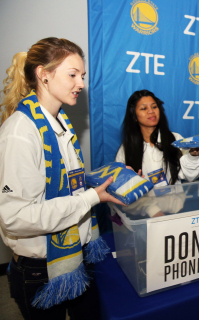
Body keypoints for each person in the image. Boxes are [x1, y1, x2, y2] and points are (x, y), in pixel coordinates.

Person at [0, 37, 124, 319]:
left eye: (82, 75)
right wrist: (91, 198)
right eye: (72, 75)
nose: (81, 83)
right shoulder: (20, 132)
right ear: (44, 75)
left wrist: (112, 180)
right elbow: (15, 217)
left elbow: (65, 185)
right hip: (39, 271)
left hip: (74, 258)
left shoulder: (61, 123)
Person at [115, 90, 199, 216]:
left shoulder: (175, 139)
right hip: (145, 220)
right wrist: (153, 211)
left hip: (177, 213)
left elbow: (190, 176)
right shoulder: (126, 150)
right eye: (143, 108)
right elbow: (122, 191)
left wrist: (193, 156)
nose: (151, 111)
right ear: (134, 116)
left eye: (154, 107)